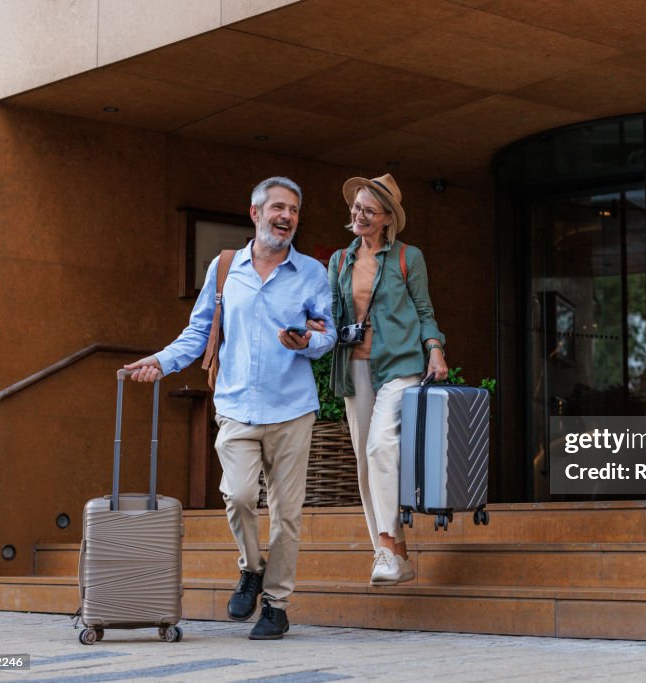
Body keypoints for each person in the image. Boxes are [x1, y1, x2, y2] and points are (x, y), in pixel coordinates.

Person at [124, 176, 336, 640]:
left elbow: (328, 336)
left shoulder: (312, 275)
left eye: (294, 210)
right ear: (255, 213)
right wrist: (161, 362)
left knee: (287, 513)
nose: (286, 217)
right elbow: (200, 332)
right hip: (237, 405)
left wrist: (305, 341)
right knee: (237, 495)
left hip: (291, 409)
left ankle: (276, 605)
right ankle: (251, 568)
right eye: (278, 207)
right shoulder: (225, 269)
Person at [312, 173, 447, 585]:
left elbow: (424, 310)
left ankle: (387, 545)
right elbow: (331, 316)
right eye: (356, 207)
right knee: (365, 463)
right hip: (356, 368)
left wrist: (435, 348)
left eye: (368, 210)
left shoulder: (409, 257)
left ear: (388, 217)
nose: (359, 215)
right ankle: (393, 555)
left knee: (380, 445)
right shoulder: (340, 260)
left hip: (400, 365)